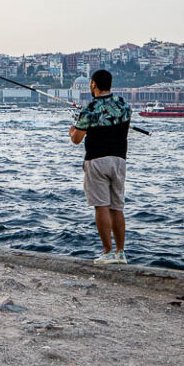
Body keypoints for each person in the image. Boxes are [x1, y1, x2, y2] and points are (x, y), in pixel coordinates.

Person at [69, 69, 132, 264]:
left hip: (97, 160)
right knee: (117, 207)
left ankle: (107, 252)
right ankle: (121, 253)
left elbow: (77, 140)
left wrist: (72, 130)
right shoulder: (123, 105)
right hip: (119, 160)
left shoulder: (90, 109)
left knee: (102, 206)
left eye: (91, 82)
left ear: (94, 84)